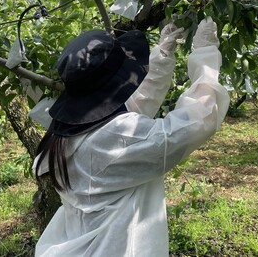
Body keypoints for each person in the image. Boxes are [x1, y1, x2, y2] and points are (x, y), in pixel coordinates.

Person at [33, 17, 229, 256]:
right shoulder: (114, 139)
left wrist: (162, 56)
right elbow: (198, 121)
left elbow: (132, 104)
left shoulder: (62, 135)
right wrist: (205, 58)